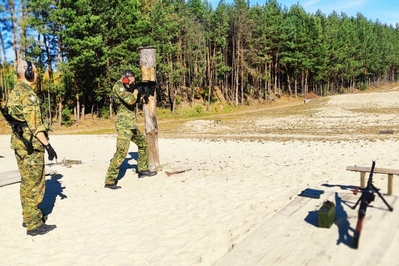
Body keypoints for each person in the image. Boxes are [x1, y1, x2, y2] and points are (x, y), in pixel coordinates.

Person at [5, 60, 58, 236]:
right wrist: (48, 145)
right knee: (35, 184)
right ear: (27, 73)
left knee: (26, 182)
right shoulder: (28, 95)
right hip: (30, 145)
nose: (36, 72)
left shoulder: (14, 91)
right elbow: (36, 126)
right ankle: (34, 225)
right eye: (34, 70)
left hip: (19, 143)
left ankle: (28, 216)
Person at [104, 70, 157, 190]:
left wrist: (143, 92)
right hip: (124, 126)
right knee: (121, 152)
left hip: (131, 125)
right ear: (125, 79)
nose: (131, 84)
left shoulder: (126, 87)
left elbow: (133, 101)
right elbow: (130, 100)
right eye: (130, 81)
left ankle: (142, 170)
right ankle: (110, 181)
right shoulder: (118, 87)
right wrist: (137, 90)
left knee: (143, 144)